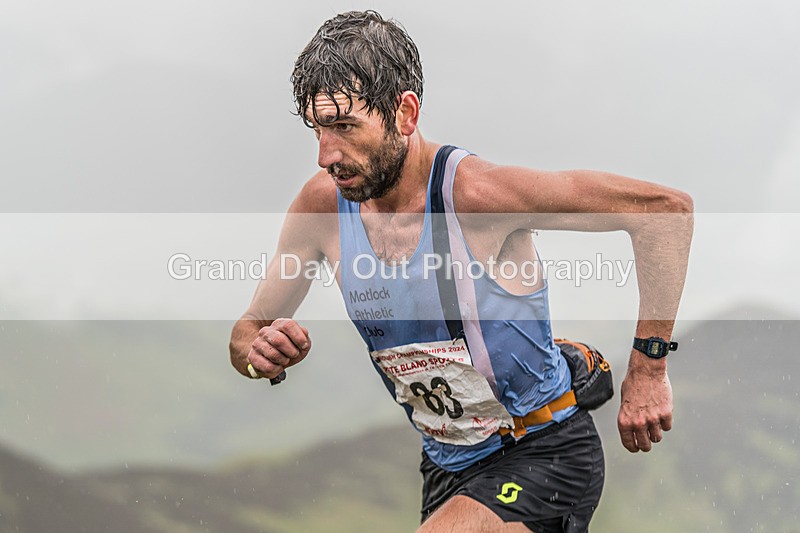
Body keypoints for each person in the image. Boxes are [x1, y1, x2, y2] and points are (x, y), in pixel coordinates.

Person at [229, 10, 693, 532]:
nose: (325, 155)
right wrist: (258, 354)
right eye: (318, 128)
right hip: (447, 468)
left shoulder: (477, 197)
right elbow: (248, 332)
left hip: (545, 452)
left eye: (343, 126)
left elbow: (664, 212)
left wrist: (650, 367)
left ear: (405, 114)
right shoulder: (321, 210)